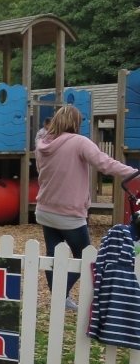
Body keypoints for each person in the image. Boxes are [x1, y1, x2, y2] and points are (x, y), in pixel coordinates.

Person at [36, 104, 136, 311]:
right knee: (86, 256)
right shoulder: (79, 142)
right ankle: (61, 294)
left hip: (45, 209)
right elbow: (105, 163)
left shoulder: (41, 145)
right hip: (69, 211)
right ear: (76, 123)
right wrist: (134, 173)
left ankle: (59, 299)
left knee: (53, 254)